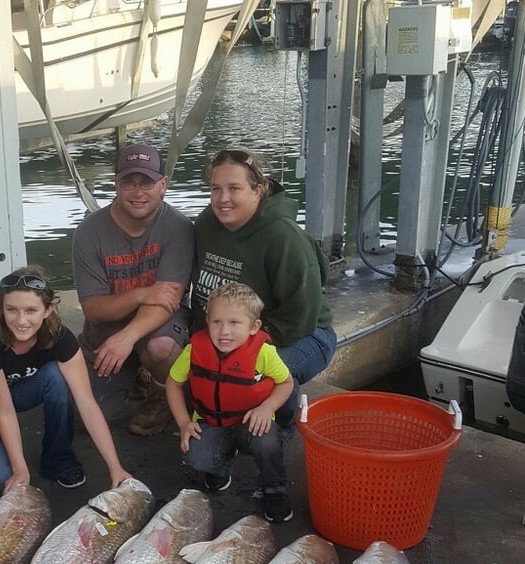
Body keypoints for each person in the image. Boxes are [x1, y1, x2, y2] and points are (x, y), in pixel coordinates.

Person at [0, 267, 132, 493]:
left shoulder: (61, 339)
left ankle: (58, 458)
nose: (21, 320)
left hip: (21, 387)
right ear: (1, 309)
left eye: (31, 310)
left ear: (48, 310)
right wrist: (20, 469)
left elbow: (87, 404)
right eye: (12, 310)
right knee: (1, 479)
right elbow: (5, 409)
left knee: (57, 376)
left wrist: (115, 468)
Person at [191, 148, 336, 403]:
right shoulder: (206, 224)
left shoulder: (284, 238)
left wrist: (243, 345)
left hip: (303, 333)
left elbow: (300, 317)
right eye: (216, 189)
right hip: (227, 328)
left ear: (257, 190)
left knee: (260, 373)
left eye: (234, 188)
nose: (222, 198)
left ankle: (279, 431)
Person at [72, 142, 195, 436]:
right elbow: (94, 310)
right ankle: (134, 373)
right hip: (105, 331)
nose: (138, 192)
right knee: (95, 418)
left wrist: (127, 337)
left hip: (158, 326)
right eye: (128, 182)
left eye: (147, 182)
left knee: (160, 347)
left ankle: (162, 391)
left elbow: (169, 299)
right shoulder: (88, 232)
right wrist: (141, 294)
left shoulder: (178, 227)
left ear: (163, 184)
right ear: (116, 184)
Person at [166, 281, 295, 523]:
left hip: (251, 423)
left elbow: (286, 383)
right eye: (217, 322)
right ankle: (220, 468)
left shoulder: (264, 353)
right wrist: (184, 422)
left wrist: (267, 408)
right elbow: (173, 383)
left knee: (267, 442)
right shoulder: (195, 349)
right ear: (207, 321)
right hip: (211, 422)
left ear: (254, 326)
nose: (224, 331)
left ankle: (275, 488)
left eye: (235, 323)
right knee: (196, 455)